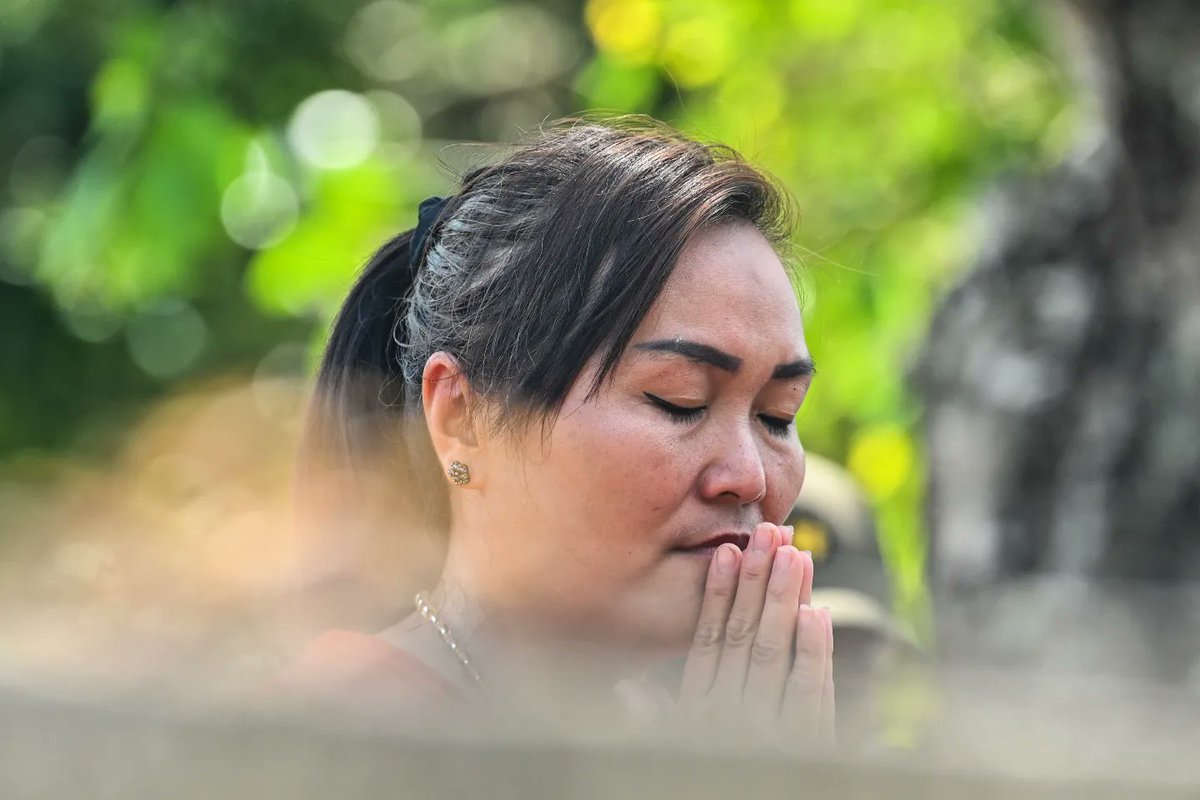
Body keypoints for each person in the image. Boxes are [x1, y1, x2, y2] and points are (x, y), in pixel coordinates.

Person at [281, 117, 833, 742]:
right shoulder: (335, 731)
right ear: (462, 418)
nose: (749, 476)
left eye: (777, 416)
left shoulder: (671, 732)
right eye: (677, 400)